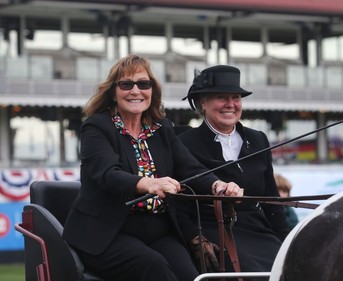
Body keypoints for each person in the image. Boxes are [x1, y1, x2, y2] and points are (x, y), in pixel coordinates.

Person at [62, 55, 244, 281]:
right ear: (113, 92)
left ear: (152, 91)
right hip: (106, 232)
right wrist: (149, 183)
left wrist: (219, 186)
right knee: (154, 267)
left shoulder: (162, 128)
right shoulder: (96, 127)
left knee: (191, 274)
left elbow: (190, 169)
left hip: (158, 229)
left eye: (143, 84)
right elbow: (107, 174)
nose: (136, 91)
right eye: (126, 84)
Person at [177, 65, 290, 275]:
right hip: (214, 230)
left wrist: (289, 240)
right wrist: (194, 238)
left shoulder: (259, 139)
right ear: (203, 102)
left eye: (236, 97)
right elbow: (177, 204)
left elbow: (272, 200)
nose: (230, 104)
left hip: (258, 230)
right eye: (222, 97)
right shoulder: (184, 143)